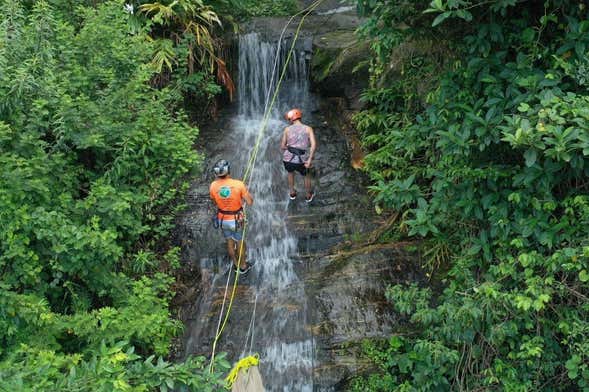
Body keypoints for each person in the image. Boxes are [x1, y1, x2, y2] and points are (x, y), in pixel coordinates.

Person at [209, 159, 254, 274]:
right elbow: (249, 202)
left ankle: (235, 264)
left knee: (229, 241)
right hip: (236, 220)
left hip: (222, 219)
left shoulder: (213, 186)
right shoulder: (238, 184)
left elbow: (214, 200)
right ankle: (243, 266)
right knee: (240, 242)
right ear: (228, 171)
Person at [280, 108, 317, 202]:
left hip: (288, 159)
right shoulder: (308, 129)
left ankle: (292, 193)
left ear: (291, 119)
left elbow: (282, 146)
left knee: (290, 173)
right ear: (299, 117)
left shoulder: (287, 129)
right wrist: (309, 159)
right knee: (306, 176)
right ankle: (308, 195)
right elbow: (313, 145)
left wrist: (289, 147)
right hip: (302, 159)